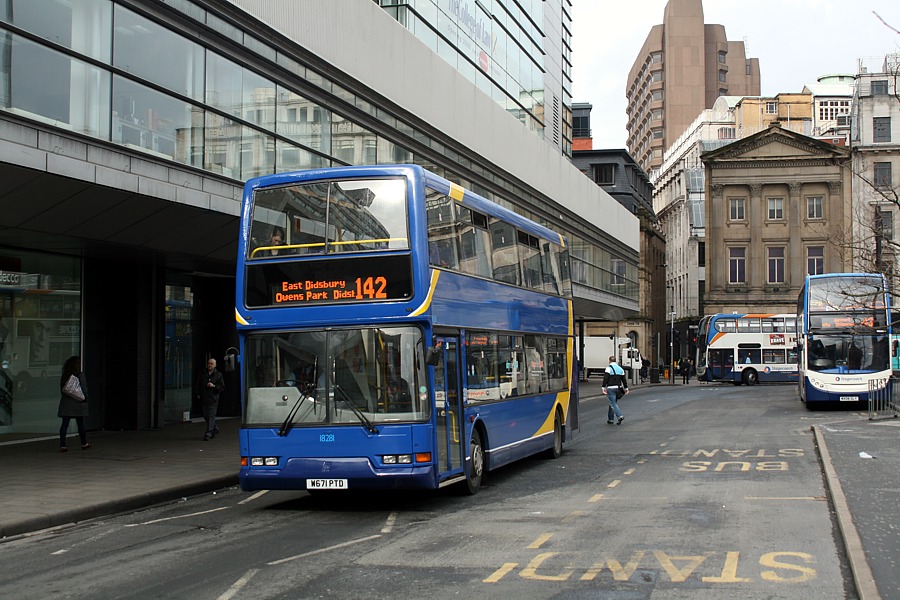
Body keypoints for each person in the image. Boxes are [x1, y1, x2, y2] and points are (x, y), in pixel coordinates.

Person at [58, 355, 91, 452]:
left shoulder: (65, 375)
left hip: (66, 403)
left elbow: (62, 389)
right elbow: (84, 388)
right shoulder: (80, 375)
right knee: (80, 424)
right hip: (78, 403)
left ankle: (63, 445)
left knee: (64, 424)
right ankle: (84, 443)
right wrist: (86, 399)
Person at [196, 357, 225, 441]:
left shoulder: (218, 375)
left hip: (213, 398)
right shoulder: (202, 373)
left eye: (211, 364)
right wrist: (197, 393)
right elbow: (198, 383)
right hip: (204, 397)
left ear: (215, 365)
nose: (209, 365)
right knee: (206, 416)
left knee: (211, 415)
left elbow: (222, 387)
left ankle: (208, 433)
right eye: (209, 363)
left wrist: (214, 386)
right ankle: (214, 428)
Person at [601, 355, 628, 425]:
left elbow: (605, 379)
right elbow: (624, 380)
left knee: (613, 403)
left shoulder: (608, 368)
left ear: (609, 361)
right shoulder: (620, 369)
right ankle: (610, 419)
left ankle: (620, 416)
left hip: (611, 388)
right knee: (612, 403)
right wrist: (626, 388)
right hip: (618, 388)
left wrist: (603, 387)